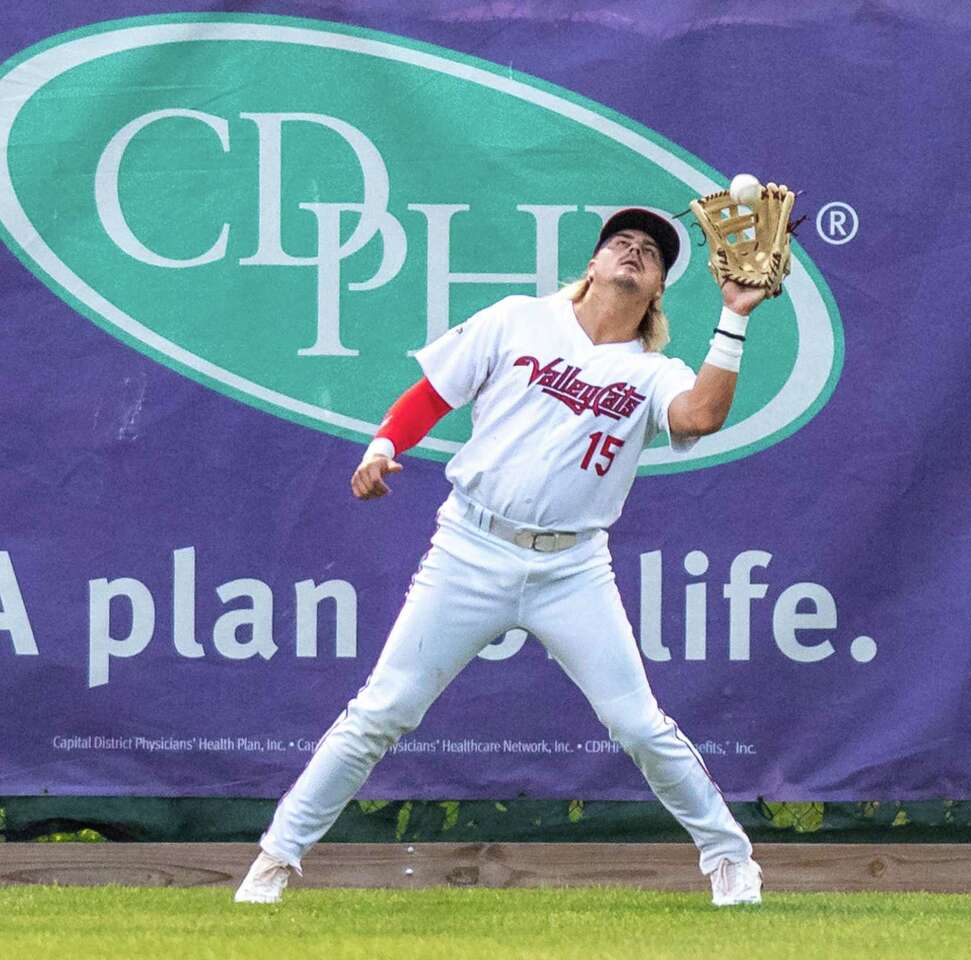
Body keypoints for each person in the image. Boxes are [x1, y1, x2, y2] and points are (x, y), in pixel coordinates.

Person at [235, 208, 768, 907]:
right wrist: (381, 446)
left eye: (651, 252)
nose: (634, 252)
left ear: (659, 287)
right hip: (471, 546)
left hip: (571, 567)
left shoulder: (650, 373)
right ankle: (275, 860)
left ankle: (730, 858)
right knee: (382, 709)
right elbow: (433, 393)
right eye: (621, 243)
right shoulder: (520, 319)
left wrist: (735, 316)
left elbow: (700, 416)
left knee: (638, 723)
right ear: (595, 264)